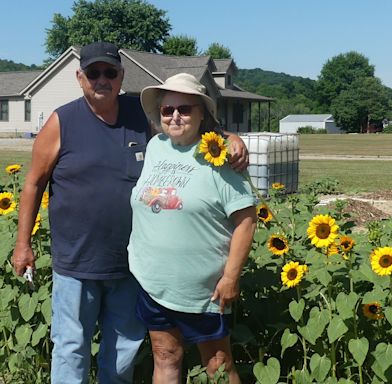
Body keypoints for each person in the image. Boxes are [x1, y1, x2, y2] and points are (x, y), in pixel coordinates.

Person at [11, 42, 249, 384]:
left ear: (122, 76)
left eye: (110, 72)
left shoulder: (141, 116)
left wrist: (227, 136)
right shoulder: (62, 121)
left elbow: (185, 130)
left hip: (130, 267)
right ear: (80, 78)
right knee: (70, 347)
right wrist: (23, 244)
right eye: (93, 73)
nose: (101, 79)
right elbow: (33, 183)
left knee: (122, 351)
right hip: (75, 262)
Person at [128, 73, 257, 383]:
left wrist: (230, 277)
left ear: (202, 113)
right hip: (153, 281)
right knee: (165, 356)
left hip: (203, 290)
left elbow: (247, 219)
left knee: (218, 365)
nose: (175, 116)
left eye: (185, 109)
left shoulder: (220, 156)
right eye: (167, 110)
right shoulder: (156, 146)